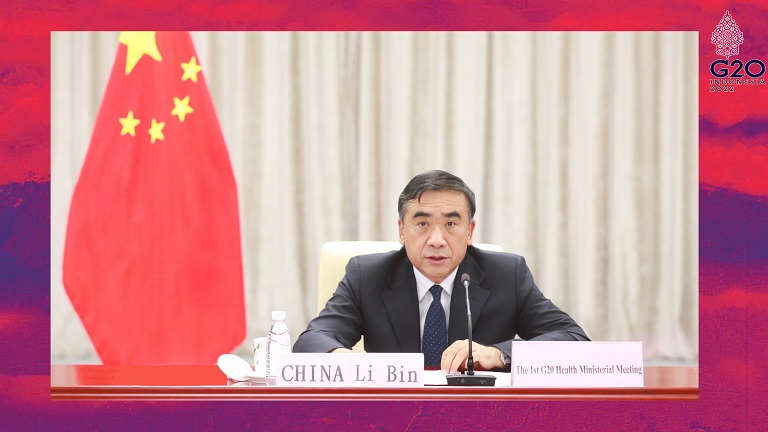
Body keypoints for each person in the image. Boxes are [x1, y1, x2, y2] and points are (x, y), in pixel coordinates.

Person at [293, 170, 588, 373]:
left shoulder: (506, 275)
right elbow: (312, 340)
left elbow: (574, 340)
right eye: (422, 224)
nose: (436, 240)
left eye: (450, 224)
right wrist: (344, 360)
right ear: (402, 231)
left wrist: (497, 354)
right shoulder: (367, 276)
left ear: (469, 231)